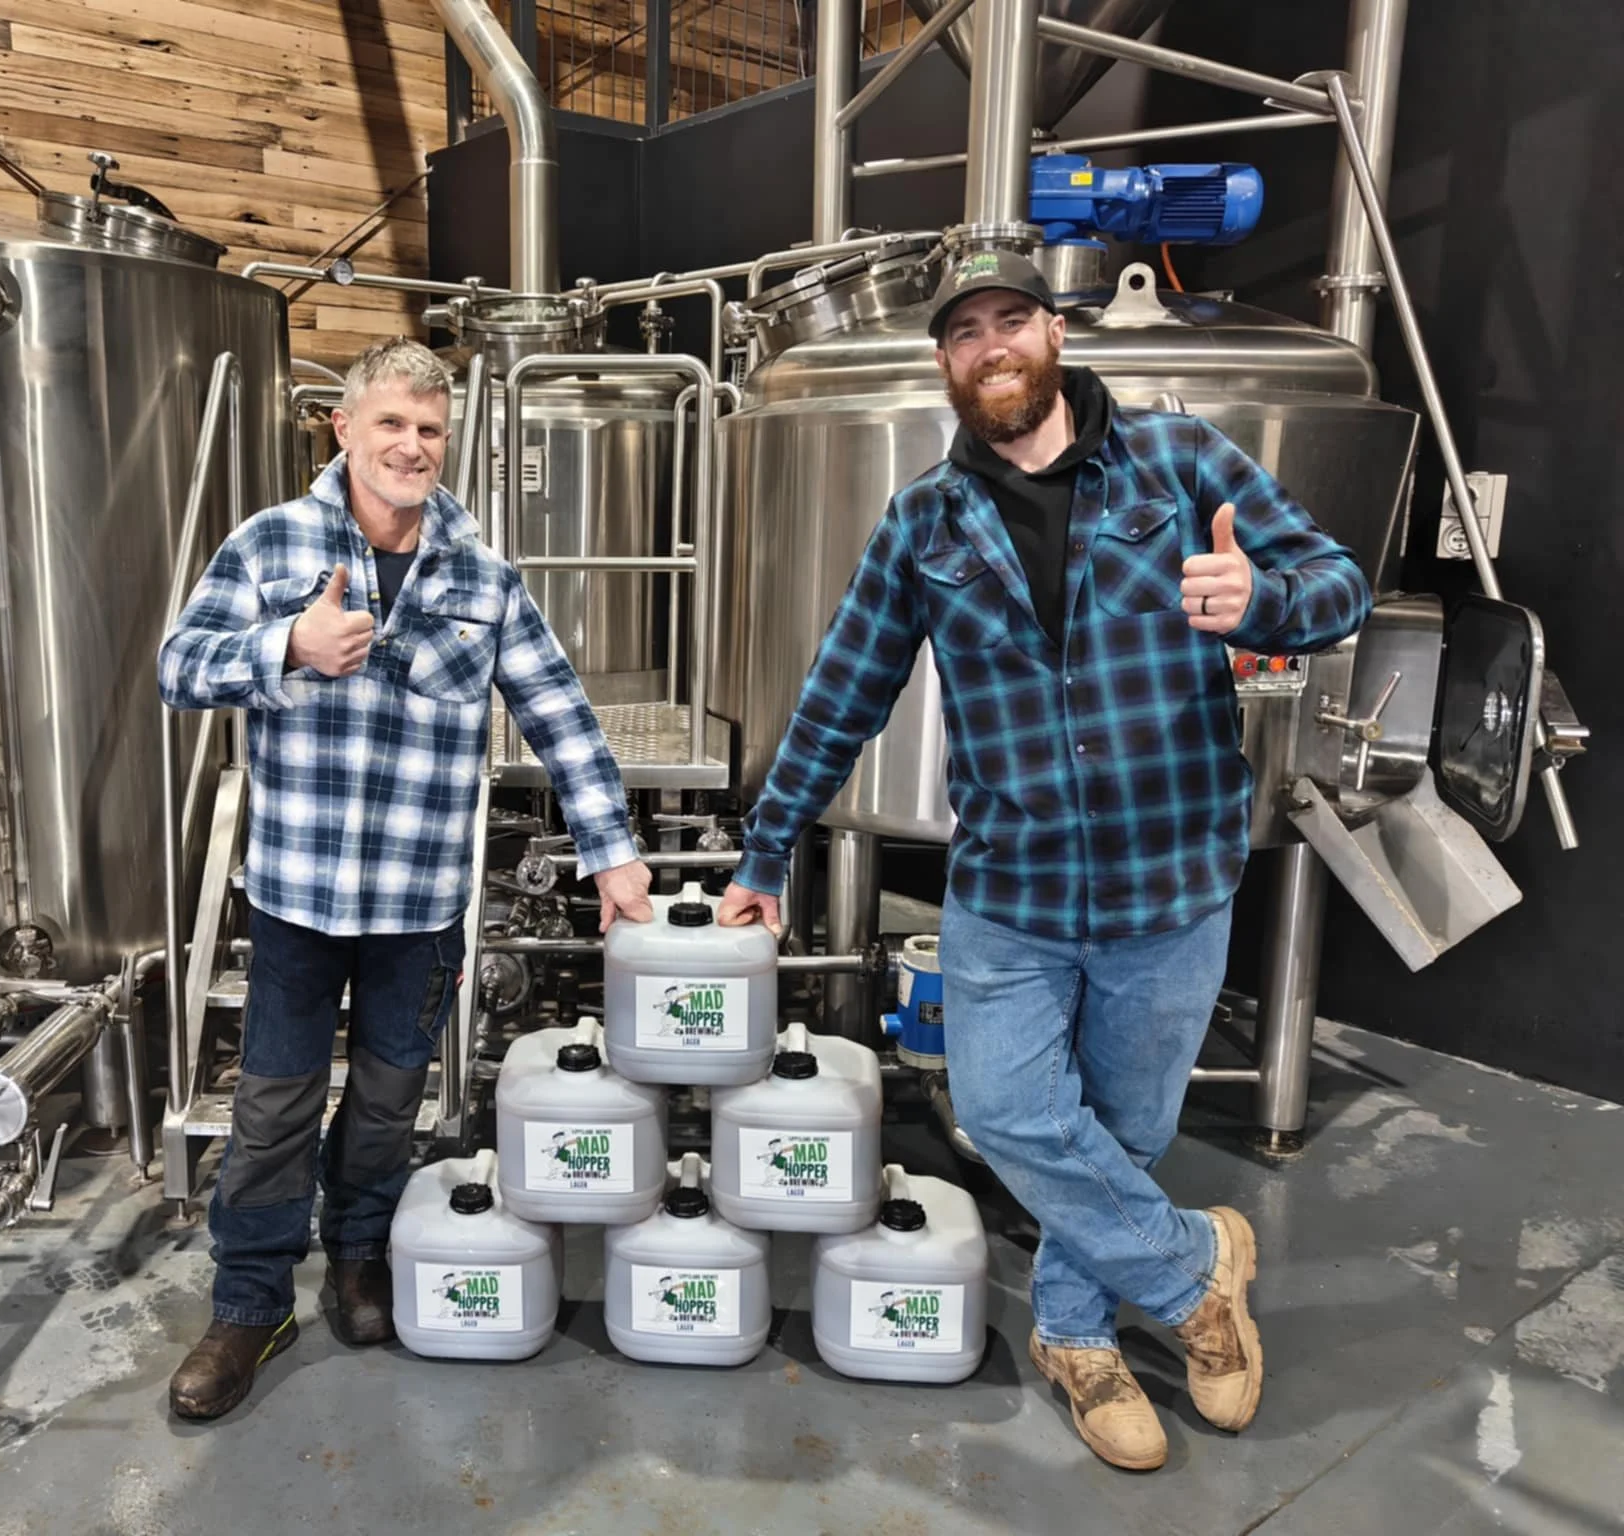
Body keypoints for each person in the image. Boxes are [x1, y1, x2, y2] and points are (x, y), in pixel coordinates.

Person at [716, 250, 1372, 1471]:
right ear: (942, 363)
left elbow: (1336, 582)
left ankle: (1078, 1337)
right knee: (1012, 1116)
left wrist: (1262, 600)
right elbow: (838, 697)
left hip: (1168, 882)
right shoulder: (923, 518)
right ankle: (1193, 1271)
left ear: (1052, 333)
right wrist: (766, 851)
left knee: (1117, 1134)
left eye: (1010, 319)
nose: (991, 347)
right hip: (1010, 891)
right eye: (964, 333)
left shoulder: (1181, 462)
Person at [159, 336, 653, 1420]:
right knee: (272, 1111)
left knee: (387, 1106)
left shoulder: (481, 574)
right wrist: (285, 644)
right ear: (344, 429)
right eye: (390, 423)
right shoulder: (272, 542)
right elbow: (175, 666)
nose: (411, 445)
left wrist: (613, 853)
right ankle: (249, 1302)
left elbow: (557, 712)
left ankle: (356, 1257)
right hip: (297, 895)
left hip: (418, 901)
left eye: (429, 430)